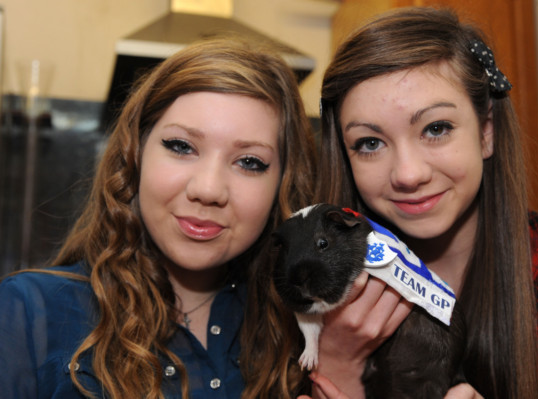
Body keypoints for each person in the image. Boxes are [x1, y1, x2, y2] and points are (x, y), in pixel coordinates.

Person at [306, 6, 538, 399]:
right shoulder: (311, 288)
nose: (408, 173)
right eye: (370, 143)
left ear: (486, 130)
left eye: (436, 129)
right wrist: (334, 361)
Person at [0, 38, 315, 398]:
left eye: (249, 162)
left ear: (283, 187)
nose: (209, 189)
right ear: (135, 154)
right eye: (181, 147)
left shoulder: (307, 334)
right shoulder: (28, 313)